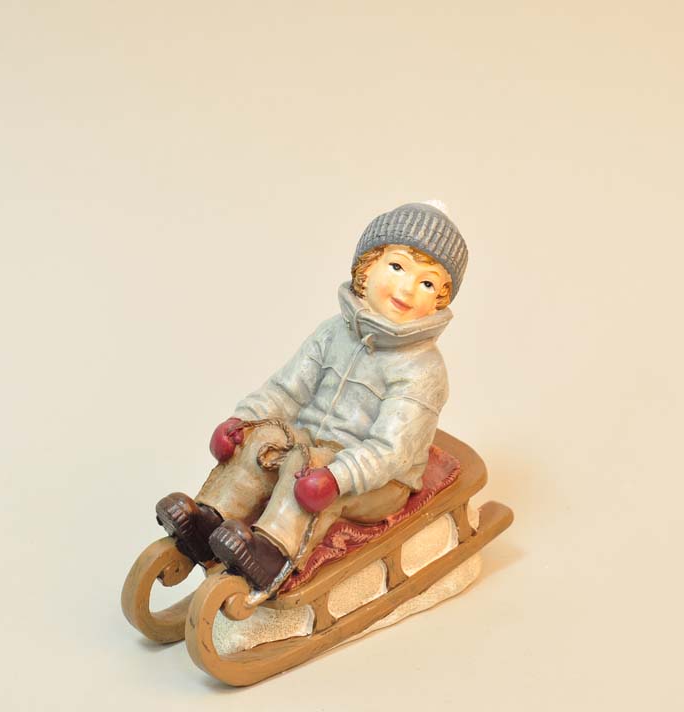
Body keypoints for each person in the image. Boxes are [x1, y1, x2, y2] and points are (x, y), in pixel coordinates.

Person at [156, 201, 468, 590]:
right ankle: (210, 521)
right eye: (397, 266)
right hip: (309, 449)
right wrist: (243, 423)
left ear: (439, 300)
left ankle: (271, 554)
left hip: (377, 482)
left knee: (308, 462)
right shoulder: (333, 332)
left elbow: (392, 451)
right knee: (266, 439)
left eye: (428, 284)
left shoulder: (422, 369)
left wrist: (337, 477)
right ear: (366, 268)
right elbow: (286, 390)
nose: (408, 288)